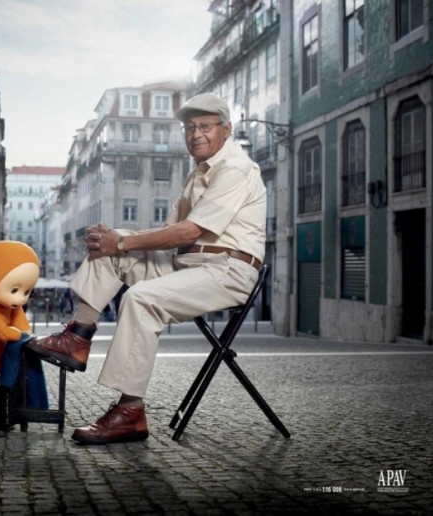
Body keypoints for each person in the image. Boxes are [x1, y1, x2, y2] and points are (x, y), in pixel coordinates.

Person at [26, 93, 266, 445]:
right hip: (188, 264)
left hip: (226, 269)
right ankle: (76, 337)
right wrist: (115, 241)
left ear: (226, 130)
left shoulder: (236, 169)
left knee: (140, 297)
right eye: (189, 127)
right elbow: (167, 235)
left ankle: (130, 412)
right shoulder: (197, 172)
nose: (195, 134)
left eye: (205, 126)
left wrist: (121, 243)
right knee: (114, 244)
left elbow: (189, 232)